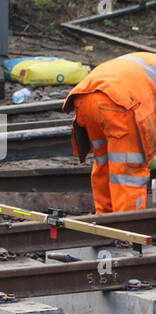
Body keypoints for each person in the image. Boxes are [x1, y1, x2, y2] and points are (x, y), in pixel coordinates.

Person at [63, 52, 156, 213]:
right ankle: (128, 229)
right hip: (120, 104)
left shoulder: (147, 60)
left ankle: (105, 220)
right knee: (129, 171)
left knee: (104, 163)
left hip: (85, 99)